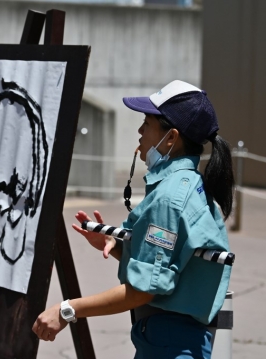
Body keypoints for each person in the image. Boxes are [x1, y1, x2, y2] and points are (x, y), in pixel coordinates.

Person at [32, 80, 234, 359]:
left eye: (147, 123)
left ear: (171, 137)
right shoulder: (188, 185)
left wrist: (67, 310)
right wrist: (114, 246)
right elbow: (167, 267)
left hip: (170, 345)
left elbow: (142, 291)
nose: (140, 130)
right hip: (171, 340)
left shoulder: (170, 198)